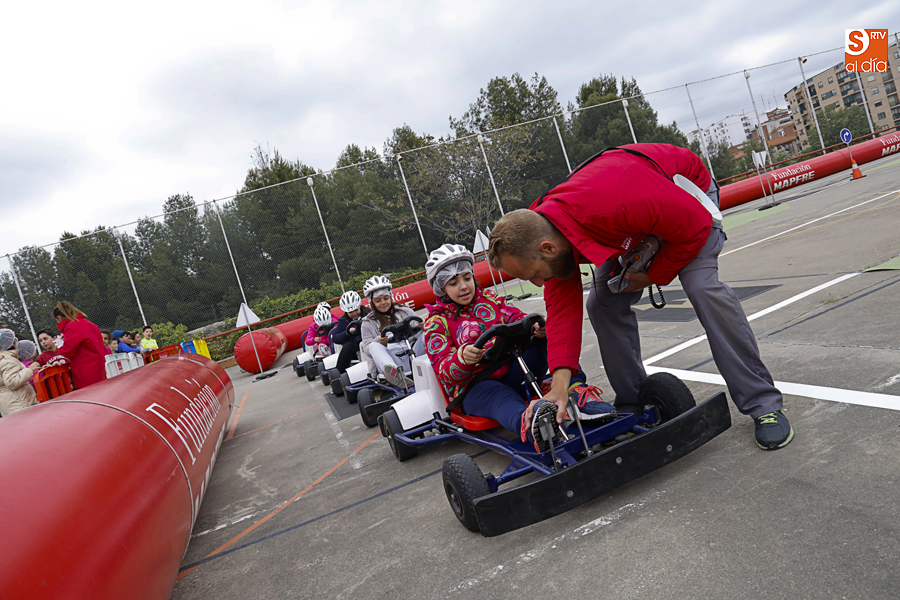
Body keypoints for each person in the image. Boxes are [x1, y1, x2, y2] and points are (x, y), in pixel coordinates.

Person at [488, 143, 792, 451]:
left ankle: (763, 404)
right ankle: (633, 403)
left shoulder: (617, 201)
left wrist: (653, 274)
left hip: (686, 195)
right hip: (638, 219)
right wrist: (559, 388)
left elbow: (695, 226)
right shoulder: (544, 228)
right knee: (602, 303)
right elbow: (562, 315)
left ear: (548, 249)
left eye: (534, 274)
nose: (539, 284)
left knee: (702, 287)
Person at [423, 244, 614, 452]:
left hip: (514, 372)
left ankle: (576, 392)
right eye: (453, 283)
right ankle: (534, 425)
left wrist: (535, 327)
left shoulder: (490, 300)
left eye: (467, 278)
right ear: (441, 288)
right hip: (478, 387)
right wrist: (461, 358)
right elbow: (444, 372)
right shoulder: (436, 323)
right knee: (500, 397)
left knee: (548, 337)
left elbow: (517, 319)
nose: (463, 287)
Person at [360, 275, 424, 382]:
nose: (383, 303)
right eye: (378, 300)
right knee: (373, 346)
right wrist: (379, 341)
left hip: (414, 355)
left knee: (427, 333)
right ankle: (395, 376)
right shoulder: (367, 323)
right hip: (393, 361)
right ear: (372, 303)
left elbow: (418, 334)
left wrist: (422, 327)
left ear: (390, 297)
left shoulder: (405, 312)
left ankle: (442, 360)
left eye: (386, 298)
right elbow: (367, 349)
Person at [53, 301, 106, 389]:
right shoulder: (90, 323)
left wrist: (60, 345)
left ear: (59, 317)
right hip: (97, 366)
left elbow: (67, 351)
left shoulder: (71, 326)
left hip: (84, 369)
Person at [0, 329, 40, 416]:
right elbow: (12, 382)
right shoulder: (8, 360)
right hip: (19, 404)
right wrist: (29, 370)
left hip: (11, 403)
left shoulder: (4, 359)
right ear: (12, 343)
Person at [331, 291, 369, 374]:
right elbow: (335, 338)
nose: (354, 313)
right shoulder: (343, 320)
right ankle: (338, 374)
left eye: (356, 310)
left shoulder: (369, 313)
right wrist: (347, 332)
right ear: (346, 312)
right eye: (350, 312)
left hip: (371, 341)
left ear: (359, 306)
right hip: (357, 349)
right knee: (348, 346)